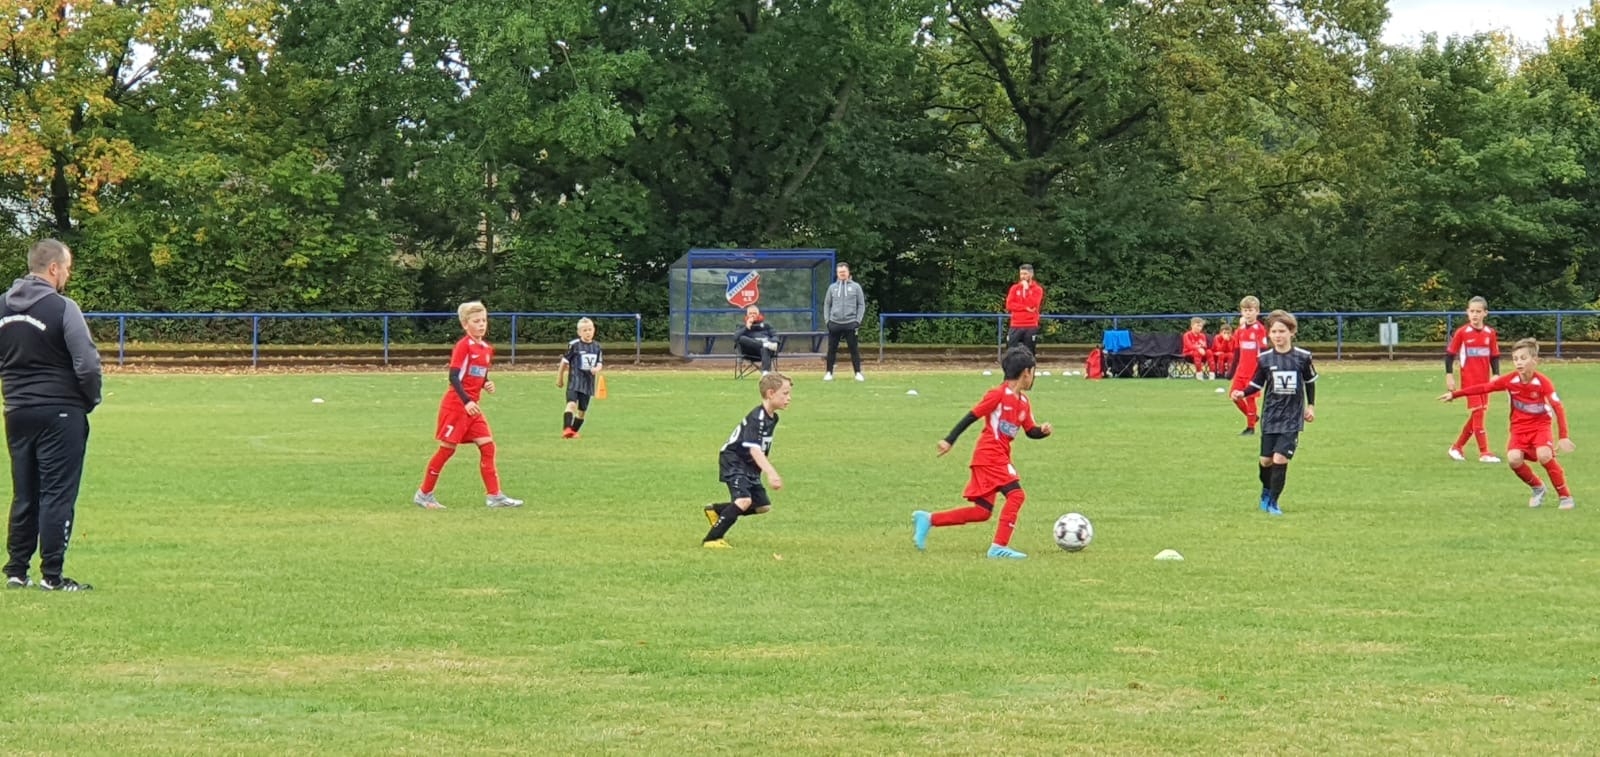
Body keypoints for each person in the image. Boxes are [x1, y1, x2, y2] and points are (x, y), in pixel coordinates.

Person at [0, 239, 101, 592]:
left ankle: (16, 570)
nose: (68, 276)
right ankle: (53, 575)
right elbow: (87, 363)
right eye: (67, 269)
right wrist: (89, 399)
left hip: (17, 411)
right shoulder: (63, 308)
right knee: (57, 494)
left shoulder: (2, 306)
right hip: (60, 411)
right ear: (54, 268)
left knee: (25, 492)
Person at [912, 348, 1053, 559]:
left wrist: (1042, 431)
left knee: (982, 511)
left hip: (996, 456)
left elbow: (1030, 430)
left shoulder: (1023, 402)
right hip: (990, 454)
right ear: (1026, 372)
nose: (1034, 377)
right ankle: (998, 547)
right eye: (1034, 372)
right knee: (1017, 495)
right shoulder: (998, 395)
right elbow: (972, 415)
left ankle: (929, 519)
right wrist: (949, 440)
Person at [413, 301, 524, 510]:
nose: (481, 324)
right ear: (465, 324)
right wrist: (467, 401)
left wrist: (486, 383)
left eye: (484, 320)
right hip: (457, 406)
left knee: (488, 446)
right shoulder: (463, 346)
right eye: (476, 321)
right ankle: (424, 494)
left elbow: (477, 374)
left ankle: (494, 496)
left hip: (472, 408)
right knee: (447, 450)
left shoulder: (487, 349)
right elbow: (454, 377)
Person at [1440, 338, 1575, 509]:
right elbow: (1484, 388)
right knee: (1513, 460)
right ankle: (1538, 487)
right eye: (1515, 359)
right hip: (1518, 428)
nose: (1518, 362)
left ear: (1535, 360)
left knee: (1544, 455)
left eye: (1523, 358)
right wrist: (1455, 394)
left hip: (1540, 427)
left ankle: (1565, 497)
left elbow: (1558, 407)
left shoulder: (1543, 383)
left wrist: (1563, 436)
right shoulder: (1510, 380)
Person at [1231, 310, 1316, 516]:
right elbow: (1257, 383)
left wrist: (1311, 406)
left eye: (1282, 331)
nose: (1278, 335)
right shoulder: (1265, 358)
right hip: (1271, 415)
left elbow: (1309, 382)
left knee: (1280, 458)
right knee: (1266, 460)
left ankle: (1274, 503)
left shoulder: (1303, 357)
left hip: (1292, 417)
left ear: (1291, 332)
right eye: (1274, 332)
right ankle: (1266, 491)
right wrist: (1242, 392)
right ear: (1269, 334)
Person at [702, 372, 793, 548]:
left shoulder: (773, 418)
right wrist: (771, 473)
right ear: (770, 393)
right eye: (785, 393)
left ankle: (717, 511)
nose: (789, 398)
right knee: (744, 500)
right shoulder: (757, 418)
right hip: (734, 460)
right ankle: (711, 540)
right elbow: (754, 449)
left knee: (762, 506)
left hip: (749, 465)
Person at [1444, 296, 1502, 463]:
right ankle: (1484, 452)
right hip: (1470, 381)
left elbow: (1494, 356)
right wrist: (1449, 376)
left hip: (1485, 382)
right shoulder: (1462, 332)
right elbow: (1449, 355)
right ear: (1467, 312)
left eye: (1478, 311)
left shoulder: (1490, 333)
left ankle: (1456, 448)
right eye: (1472, 311)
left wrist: (1496, 374)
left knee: (1477, 416)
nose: (1475, 315)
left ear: (1485, 313)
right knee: (1478, 414)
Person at [557, 317, 604, 439]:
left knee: (582, 411)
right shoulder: (574, 345)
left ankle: (573, 432)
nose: (588, 332)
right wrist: (560, 378)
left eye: (590, 329)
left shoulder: (597, 347)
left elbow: (599, 363)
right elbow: (564, 362)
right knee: (571, 404)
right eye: (585, 330)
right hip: (574, 381)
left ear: (594, 330)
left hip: (588, 383)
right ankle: (567, 429)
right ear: (579, 332)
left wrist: (596, 369)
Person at [1228, 296, 1268, 435]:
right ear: (1241, 312)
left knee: (1250, 398)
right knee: (1233, 396)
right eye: (1245, 310)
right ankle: (1252, 417)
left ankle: (1250, 428)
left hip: (1253, 370)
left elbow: (1263, 351)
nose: (1248, 313)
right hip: (1241, 370)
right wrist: (1232, 370)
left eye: (1251, 310)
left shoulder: (1259, 329)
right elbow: (1237, 351)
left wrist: (1262, 370)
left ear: (1257, 311)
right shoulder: (1239, 330)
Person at [822, 262, 867, 382]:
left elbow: (861, 304)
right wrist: (827, 321)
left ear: (848, 272)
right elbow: (827, 304)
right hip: (834, 323)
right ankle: (829, 373)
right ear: (837, 273)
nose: (842, 274)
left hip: (850, 322)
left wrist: (858, 321)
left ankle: (858, 373)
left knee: (853, 349)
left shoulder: (856, 287)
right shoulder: (832, 288)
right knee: (832, 349)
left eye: (844, 272)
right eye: (840, 272)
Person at [1004, 264, 1044, 356]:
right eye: (1021, 274)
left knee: (1029, 353)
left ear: (1031, 274)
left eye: (1025, 274)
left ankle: (1029, 366)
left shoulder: (1038, 289)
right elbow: (1009, 305)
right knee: (1011, 352)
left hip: (1030, 324)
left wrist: (1026, 290)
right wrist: (1025, 308)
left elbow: (1033, 305)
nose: (1022, 276)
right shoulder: (1014, 288)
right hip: (1015, 324)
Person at [733, 305, 779, 375]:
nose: (752, 315)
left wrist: (774, 341)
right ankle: (764, 344)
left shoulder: (766, 325)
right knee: (741, 338)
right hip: (750, 352)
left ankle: (765, 373)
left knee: (765, 348)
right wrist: (746, 327)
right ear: (747, 315)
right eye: (750, 313)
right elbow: (735, 338)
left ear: (758, 314)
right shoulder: (742, 326)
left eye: (754, 313)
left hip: (766, 351)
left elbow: (775, 336)